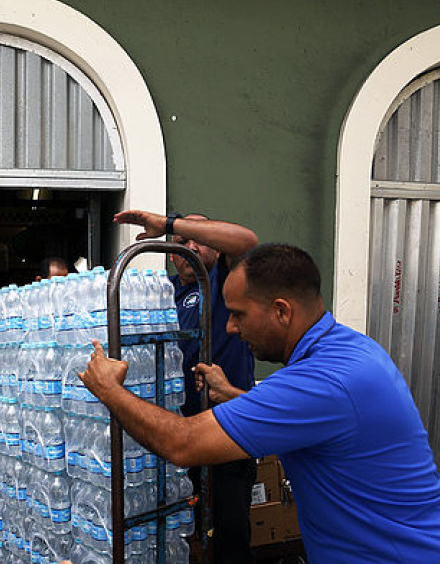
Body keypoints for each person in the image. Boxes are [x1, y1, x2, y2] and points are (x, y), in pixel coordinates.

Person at [80, 237, 440, 562]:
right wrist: (233, 395)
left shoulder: (324, 380)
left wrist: (110, 390)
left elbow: (182, 443)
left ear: (282, 311)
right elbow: (308, 418)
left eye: (238, 314)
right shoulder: (349, 350)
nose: (230, 328)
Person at [161, 211, 258, 564]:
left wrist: (174, 225)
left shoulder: (224, 280)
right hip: (179, 435)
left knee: (229, 535)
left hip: (227, 431)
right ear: (171, 255)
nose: (191, 246)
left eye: (199, 237)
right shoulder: (165, 292)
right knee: (181, 535)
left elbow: (246, 241)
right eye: (182, 243)